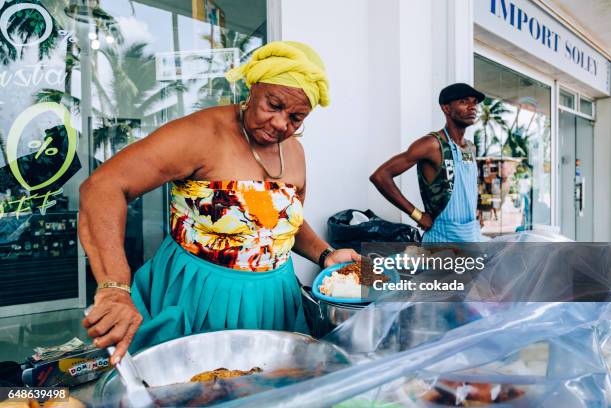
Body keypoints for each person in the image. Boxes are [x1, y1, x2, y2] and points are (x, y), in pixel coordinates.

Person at [79, 41, 359, 365]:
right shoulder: (202, 133)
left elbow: (278, 224)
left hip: (274, 301)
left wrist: (325, 253)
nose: (283, 124)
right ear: (253, 87)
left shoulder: (294, 151)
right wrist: (114, 286)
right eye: (274, 105)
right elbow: (103, 186)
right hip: (200, 296)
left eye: (296, 117)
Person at [370, 83, 485, 243]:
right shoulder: (432, 144)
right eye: (464, 101)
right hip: (442, 241)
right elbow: (380, 176)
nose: (473, 107)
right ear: (446, 108)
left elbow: (467, 186)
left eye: (475, 102)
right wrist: (417, 214)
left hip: (471, 237)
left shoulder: (470, 148)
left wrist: (475, 211)